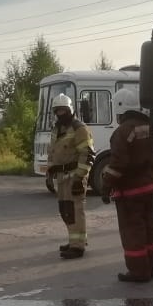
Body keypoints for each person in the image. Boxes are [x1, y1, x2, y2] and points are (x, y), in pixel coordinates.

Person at [101, 87, 153, 282]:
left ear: (121, 108)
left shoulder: (123, 131)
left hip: (130, 191)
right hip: (150, 188)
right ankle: (151, 268)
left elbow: (118, 164)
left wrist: (106, 185)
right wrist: (152, 177)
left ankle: (138, 271)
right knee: (149, 228)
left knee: (132, 231)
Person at [46, 94, 94, 259]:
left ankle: (78, 246)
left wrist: (80, 178)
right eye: (57, 110)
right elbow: (52, 152)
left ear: (70, 110)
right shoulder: (56, 129)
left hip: (74, 175)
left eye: (63, 110)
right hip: (61, 175)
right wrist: (49, 173)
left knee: (75, 210)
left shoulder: (79, 128)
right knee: (65, 210)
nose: (60, 113)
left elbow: (87, 154)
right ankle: (74, 240)